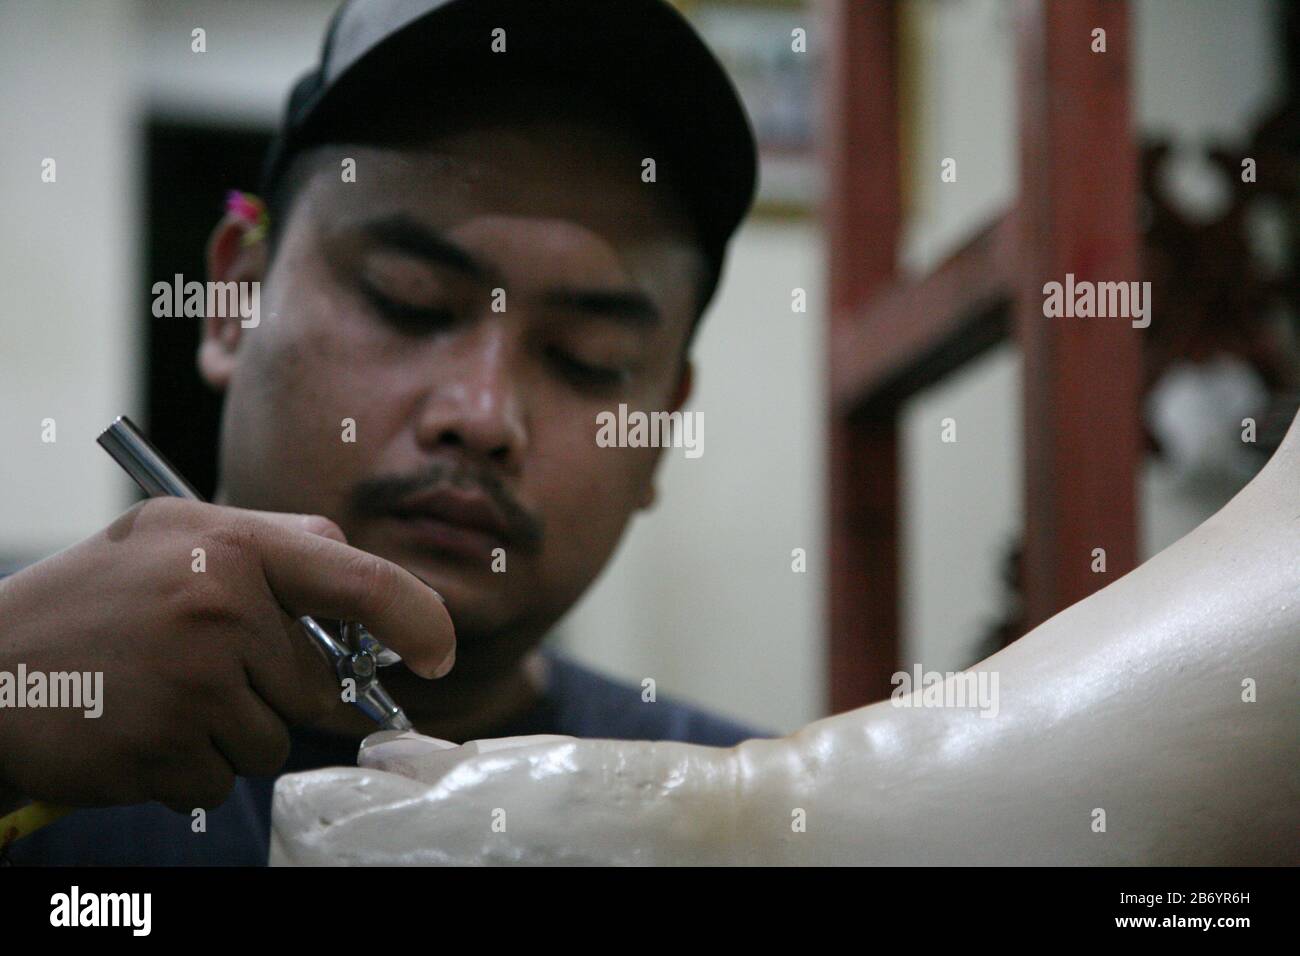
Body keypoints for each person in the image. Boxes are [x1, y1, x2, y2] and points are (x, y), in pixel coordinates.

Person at [0, 0, 768, 865]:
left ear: (660, 429)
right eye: (409, 301)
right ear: (233, 304)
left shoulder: (748, 823)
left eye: (588, 359)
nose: (482, 416)